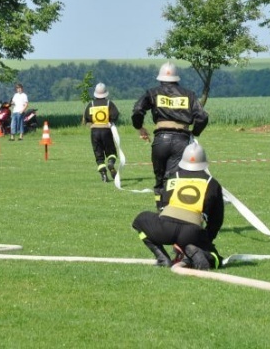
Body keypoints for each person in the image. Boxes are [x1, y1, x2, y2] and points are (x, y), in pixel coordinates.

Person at [131, 141, 224, 269]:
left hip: (166, 228)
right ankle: (197, 252)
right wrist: (205, 241)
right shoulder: (212, 183)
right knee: (216, 259)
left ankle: (162, 258)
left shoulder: (174, 177)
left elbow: (163, 207)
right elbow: (216, 220)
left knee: (139, 221)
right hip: (192, 232)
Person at [131, 62, 209, 209]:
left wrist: (139, 127)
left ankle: (160, 209)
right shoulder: (189, 95)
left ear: (160, 78)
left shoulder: (153, 93)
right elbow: (202, 117)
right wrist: (194, 132)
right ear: (176, 78)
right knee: (174, 178)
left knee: (159, 178)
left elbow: (137, 110)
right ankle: (170, 209)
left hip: (160, 140)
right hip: (181, 140)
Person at [84, 82, 120, 183]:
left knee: (98, 153)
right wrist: (110, 121)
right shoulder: (109, 103)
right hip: (106, 130)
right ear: (105, 93)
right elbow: (115, 115)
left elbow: (87, 118)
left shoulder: (91, 104)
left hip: (94, 131)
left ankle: (103, 174)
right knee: (111, 151)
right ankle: (111, 163)